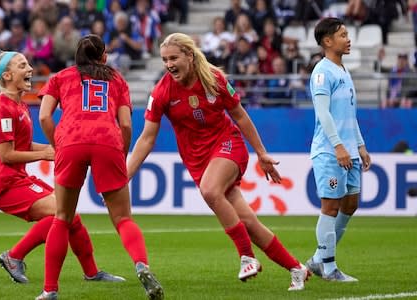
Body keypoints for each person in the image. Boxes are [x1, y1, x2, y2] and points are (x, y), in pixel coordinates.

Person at [127, 32, 310, 291]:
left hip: (228, 145)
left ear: (189, 56)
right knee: (248, 223)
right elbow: (146, 138)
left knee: (210, 190)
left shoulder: (215, 79)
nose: (168, 64)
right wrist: (125, 175)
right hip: (198, 161)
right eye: (164, 59)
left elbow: (241, 116)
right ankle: (296, 268)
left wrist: (261, 152)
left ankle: (247, 257)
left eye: (174, 58)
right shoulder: (161, 92)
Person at [37, 34, 164, 300]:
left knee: (62, 218)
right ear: (104, 56)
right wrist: (122, 152)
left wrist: (57, 143)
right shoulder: (116, 79)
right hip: (107, 140)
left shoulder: (60, 77)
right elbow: (127, 124)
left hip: (71, 140)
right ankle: (141, 264)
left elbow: (44, 116)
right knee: (123, 219)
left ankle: (50, 290)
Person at [0, 51, 124, 286]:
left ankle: (92, 273)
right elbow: (6, 155)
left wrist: (55, 147)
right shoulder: (2, 108)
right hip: (3, 184)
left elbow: (22, 145)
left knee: (69, 216)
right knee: (62, 213)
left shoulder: (19, 105)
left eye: (28, 63)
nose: (29, 68)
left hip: (18, 178)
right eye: (22, 65)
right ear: (7, 75)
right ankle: (14, 256)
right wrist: (45, 154)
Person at [306, 17, 372, 282]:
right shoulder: (322, 72)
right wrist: (339, 146)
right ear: (327, 41)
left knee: (350, 204)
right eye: (343, 34)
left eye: (348, 34)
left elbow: (350, 114)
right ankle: (329, 268)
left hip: (350, 150)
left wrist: (360, 145)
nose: (348, 39)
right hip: (331, 151)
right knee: (331, 206)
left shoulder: (343, 70)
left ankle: (317, 260)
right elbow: (323, 114)